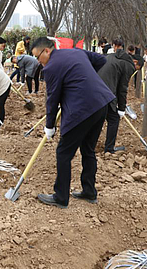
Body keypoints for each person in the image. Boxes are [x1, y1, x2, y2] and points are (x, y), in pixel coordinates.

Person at [31, 37, 114, 208]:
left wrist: (49, 126)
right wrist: (84, 78)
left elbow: (52, 99)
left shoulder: (51, 67)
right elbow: (101, 60)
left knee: (63, 153)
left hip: (82, 110)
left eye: (38, 57)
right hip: (101, 104)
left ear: (47, 50)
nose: (39, 62)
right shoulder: (75, 51)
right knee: (88, 149)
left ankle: (61, 197)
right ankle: (89, 191)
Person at [98, 40, 136, 153]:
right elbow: (122, 89)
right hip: (105, 92)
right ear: (135, 63)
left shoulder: (110, 57)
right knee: (114, 119)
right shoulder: (129, 66)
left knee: (97, 118)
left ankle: (89, 145)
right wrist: (121, 108)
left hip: (94, 88)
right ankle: (109, 148)